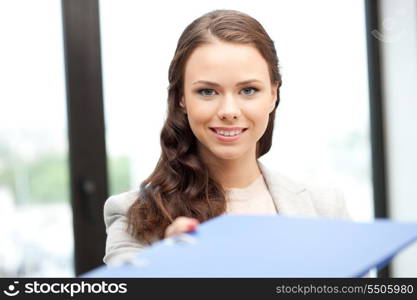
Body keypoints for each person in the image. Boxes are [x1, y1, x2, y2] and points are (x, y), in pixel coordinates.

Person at [103, 9, 351, 266]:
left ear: (273, 95)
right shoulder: (134, 213)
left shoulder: (325, 209)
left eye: (248, 90)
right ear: (182, 99)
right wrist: (168, 269)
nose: (229, 111)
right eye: (207, 91)